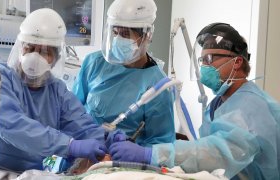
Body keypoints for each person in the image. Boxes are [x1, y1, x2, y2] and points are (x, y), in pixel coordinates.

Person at [109, 23, 280, 179]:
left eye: (210, 59)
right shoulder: (219, 104)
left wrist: (151, 154)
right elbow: (207, 153)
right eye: (202, 60)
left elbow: (217, 154)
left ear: (237, 62)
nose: (204, 67)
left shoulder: (251, 105)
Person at [0, 8, 109, 173]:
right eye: (30, 48)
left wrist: (109, 139)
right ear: (21, 49)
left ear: (55, 58)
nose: (34, 57)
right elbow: (13, 126)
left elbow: (82, 127)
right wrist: (70, 146)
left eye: (45, 52)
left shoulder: (56, 91)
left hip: (29, 175)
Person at [72, 0, 175, 164]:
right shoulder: (93, 63)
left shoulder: (158, 85)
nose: (118, 39)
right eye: (115, 32)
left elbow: (160, 143)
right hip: (81, 155)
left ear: (146, 36)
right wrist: (77, 145)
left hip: (123, 164)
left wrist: (134, 154)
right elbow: (71, 112)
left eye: (126, 34)